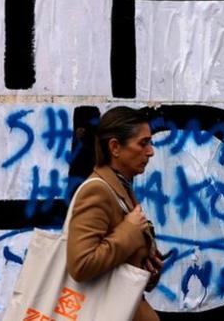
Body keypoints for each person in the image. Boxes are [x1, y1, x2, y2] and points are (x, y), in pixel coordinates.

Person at [66, 107, 163, 321]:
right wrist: (130, 230)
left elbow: (120, 264)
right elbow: (81, 264)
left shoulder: (122, 188)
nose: (150, 151)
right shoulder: (98, 190)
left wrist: (150, 268)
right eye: (143, 143)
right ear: (115, 147)